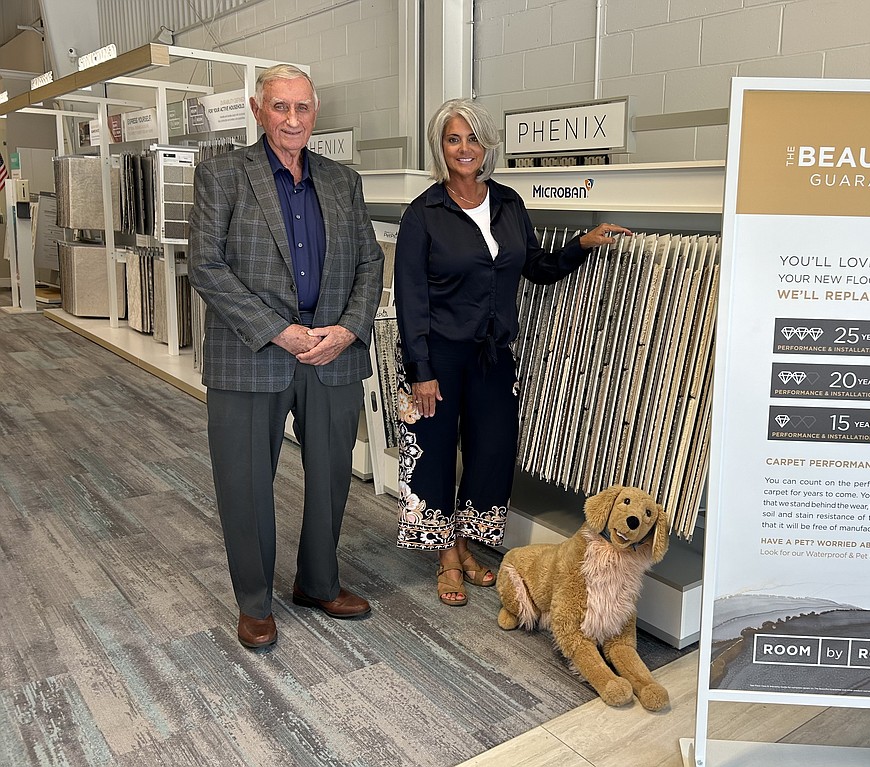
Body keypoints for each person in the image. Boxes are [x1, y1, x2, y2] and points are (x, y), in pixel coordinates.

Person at [394, 98, 630, 606]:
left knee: (492, 452)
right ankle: (445, 560)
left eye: (473, 139)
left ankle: (463, 541)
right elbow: (410, 298)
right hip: (436, 357)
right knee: (433, 456)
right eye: (454, 139)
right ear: (441, 147)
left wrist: (581, 244)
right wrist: (421, 371)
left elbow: (537, 267)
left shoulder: (507, 203)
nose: (464, 149)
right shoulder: (424, 214)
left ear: (487, 147)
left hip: (494, 356)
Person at [189, 64, 384, 649]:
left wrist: (347, 331)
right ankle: (254, 601)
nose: (292, 119)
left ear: (315, 110)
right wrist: (278, 331)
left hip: (331, 355)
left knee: (329, 478)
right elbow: (206, 265)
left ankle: (318, 582)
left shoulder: (343, 181)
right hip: (252, 353)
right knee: (245, 483)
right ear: (258, 109)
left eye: (301, 108)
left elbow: (370, 264)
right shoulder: (222, 174)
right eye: (279, 107)